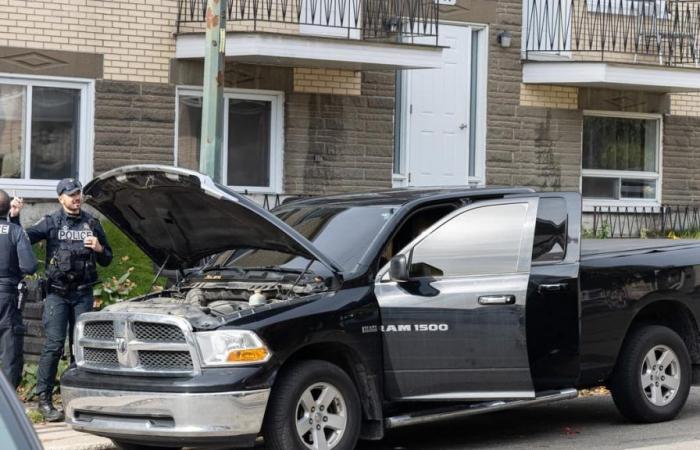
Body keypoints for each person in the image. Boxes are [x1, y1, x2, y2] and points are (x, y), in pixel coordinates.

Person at [10, 178, 112, 421]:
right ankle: (44, 400)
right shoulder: (51, 222)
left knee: (81, 347)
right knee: (54, 346)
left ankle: (78, 400)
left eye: (78, 193)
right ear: (60, 198)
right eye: (71, 194)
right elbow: (22, 239)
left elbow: (107, 259)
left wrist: (99, 248)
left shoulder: (92, 223)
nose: (76, 197)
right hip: (57, 293)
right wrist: (14, 217)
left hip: (83, 293)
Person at [0, 190, 37, 388]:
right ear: (7, 209)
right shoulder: (15, 232)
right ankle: (6, 408)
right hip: (6, 297)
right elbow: (29, 266)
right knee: (9, 351)